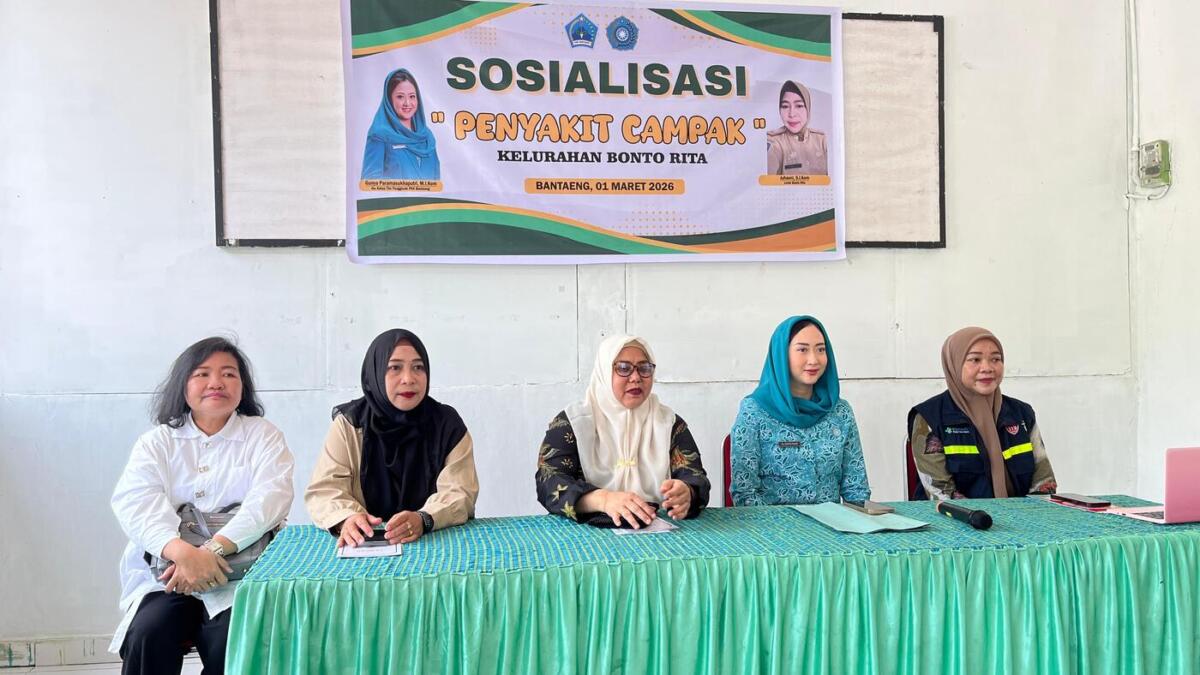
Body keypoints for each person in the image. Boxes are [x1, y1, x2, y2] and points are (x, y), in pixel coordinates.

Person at [110, 338, 294, 675]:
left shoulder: (263, 435)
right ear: (183, 384)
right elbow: (136, 502)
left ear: (243, 386)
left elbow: (270, 500)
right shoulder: (157, 442)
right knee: (148, 634)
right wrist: (183, 554)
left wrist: (211, 551)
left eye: (229, 374)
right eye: (202, 374)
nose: (216, 383)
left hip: (241, 578)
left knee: (237, 642)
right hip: (168, 576)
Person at [306, 329, 478, 547]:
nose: (408, 379)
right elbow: (324, 490)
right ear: (376, 372)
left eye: (418, 367)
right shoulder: (350, 425)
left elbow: (460, 492)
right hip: (366, 545)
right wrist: (347, 518)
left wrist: (424, 518)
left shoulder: (447, 425)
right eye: (395, 367)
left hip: (438, 543)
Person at [535, 334, 710, 528]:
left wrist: (687, 492)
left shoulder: (669, 424)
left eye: (644, 368)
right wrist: (603, 500)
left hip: (659, 533)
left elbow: (696, 478)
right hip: (584, 535)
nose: (636, 378)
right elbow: (548, 482)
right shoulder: (573, 423)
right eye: (623, 368)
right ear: (604, 371)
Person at [730, 316, 869, 505]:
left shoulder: (840, 411)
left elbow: (856, 489)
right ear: (781, 355)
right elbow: (745, 493)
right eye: (802, 350)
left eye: (821, 349)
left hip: (832, 522)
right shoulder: (754, 411)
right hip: (772, 522)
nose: (813, 359)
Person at [907, 327, 1057, 500]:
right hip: (952, 515)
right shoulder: (929, 417)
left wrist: (1030, 514)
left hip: (1022, 514)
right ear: (954, 364)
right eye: (975, 359)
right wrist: (989, 516)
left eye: (995, 359)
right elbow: (941, 494)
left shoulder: (1021, 414)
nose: (987, 368)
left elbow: (1044, 483)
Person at [361, 68, 441, 180]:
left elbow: (436, 180)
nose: (407, 103)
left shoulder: (426, 136)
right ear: (389, 100)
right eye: (400, 97)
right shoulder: (379, 135)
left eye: (412, 96)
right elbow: (369, 182)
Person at [765, 80, 828, 176]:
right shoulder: (774, 142)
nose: (791, 114)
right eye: (785, 106)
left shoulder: (822, 140)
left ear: (808, 108)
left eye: (799, 106)